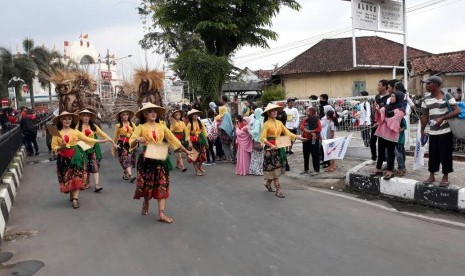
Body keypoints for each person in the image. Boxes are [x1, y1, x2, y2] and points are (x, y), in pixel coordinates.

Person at [130, 103, 191, 223]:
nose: (153, 114)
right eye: (150, 111)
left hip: (160, 157)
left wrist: (187, 151)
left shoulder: (162, 126)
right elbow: (131, 141)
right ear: (145, 114)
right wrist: (137, 139)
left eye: (155, 111)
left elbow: (173, 140)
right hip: (146, 159)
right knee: (147, 185)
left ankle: (161, 214)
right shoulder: (141, 127)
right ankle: (146, 200)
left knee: (163, 184)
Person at [51, 111, 108, 209]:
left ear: (72, 120)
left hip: (76, 157)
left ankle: (75, 200)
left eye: (69, 118)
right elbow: (54, 147)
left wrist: (100, 141)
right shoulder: (57, 134)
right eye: (64, 119)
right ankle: (71, 193)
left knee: (77, 176)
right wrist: (61, 147)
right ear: (60, 120)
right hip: (63, 159)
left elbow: (87, 139)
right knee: (67, 178)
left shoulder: (75, 132)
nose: (67, 121)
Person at [420, 76, 460, 186]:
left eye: (429, 83)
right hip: (433, 132)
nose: (426, 86)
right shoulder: (425, 98)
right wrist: (422, 131)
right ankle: (431, 175)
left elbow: (457, 110)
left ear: (436, 85)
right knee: (433, 155)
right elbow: (425, 116)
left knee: (445, 155)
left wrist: (442, 118)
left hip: (445, 131)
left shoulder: (447, 96)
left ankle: (445, 176)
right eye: (426, 84)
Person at [260, 103, 307, 198]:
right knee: (274, 170)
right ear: (268, 113)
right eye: (272, 111)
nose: (275, 112)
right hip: (270, 150)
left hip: (279, 148)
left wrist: (299, 137)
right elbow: (263, 138)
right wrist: (271, 145)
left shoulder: (279, 123)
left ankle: (268, 183)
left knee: (276, 169)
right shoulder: (266, 124)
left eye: (275, 110)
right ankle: (278, 190)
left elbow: (288, 132)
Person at [76, 109, 117, 192]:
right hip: (81, 150)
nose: (86, 118)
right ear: (81, 117)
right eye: (84, 116)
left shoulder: (94, 126)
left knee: (95, 166)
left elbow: (104, 135)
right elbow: (75, 137)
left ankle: (97, 185)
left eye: (87, 116)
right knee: (84, 167)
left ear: (90, 117)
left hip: (91, 149)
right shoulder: (78, 127)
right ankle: (85, 182)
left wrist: (113, 143)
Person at [370, 91, 406, 180]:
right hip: (382, 133)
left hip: (391, 135)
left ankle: (390, 170)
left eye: (393, 97)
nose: (391, 98)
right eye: (391, 97)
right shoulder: (386, 107)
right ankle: (378, 168)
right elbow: (380, 116)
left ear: (398, 98)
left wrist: (384, 119)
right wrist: (377, 110)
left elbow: (394, 121)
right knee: (381, 151)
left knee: (390, 153)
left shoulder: (401, 110)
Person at [113, 109, 137, 181]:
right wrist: (114, 145)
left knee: (130, 159)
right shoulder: (118, 126)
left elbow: (137, 133)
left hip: (131, 144)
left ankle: (125, 173)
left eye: (127, 114)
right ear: (121, 117)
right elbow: (115, 136)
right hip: (122, 144)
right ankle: (130, 175)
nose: (125, 116)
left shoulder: (132, 124)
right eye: (123, 115)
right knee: (124, 159)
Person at [370, 80, 391, 161]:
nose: (378, 87)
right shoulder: (377, 97)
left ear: (385, 86)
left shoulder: (389, 98)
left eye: (379, 85)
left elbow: (386, 112)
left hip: (382, 124)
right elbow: (376, 110)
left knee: (381, 143)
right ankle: (374, 157)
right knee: (372, 141)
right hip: (375, 122)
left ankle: (383, 159)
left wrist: (381, 122)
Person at [185, 109, 209, 176]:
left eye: (196, 114)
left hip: (200, 140)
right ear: (191, 116)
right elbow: (187, 135)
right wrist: (189, 142)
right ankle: (196, 170)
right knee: (194, 157)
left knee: (203, 156)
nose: (195, 115)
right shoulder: (189, 124)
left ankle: (199, 166)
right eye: (193, 114)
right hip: (193, 142)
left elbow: (204, 132)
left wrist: (206, 142)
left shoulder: (200, 122)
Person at [300, 106, 321, 176]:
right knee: (305, 154)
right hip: (305, 139)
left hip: (314, 139)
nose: (306, 112)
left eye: (307, 111)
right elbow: (302, 126)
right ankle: (306, 169)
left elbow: (319, 128)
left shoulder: (316, 119)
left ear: (311, 112)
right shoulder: (305, 119)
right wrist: (306, 130)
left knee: (315, 154)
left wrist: (311, 131)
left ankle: (316, 170)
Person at [249, 108, 264, 176]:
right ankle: (259, 170)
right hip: (262, 141)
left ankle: (255, 171)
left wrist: (249, 131)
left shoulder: (257, 121)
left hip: (257, 140)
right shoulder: (262, 120)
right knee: (260, 157)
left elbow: (256, 131)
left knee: (255, 157)